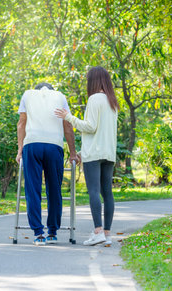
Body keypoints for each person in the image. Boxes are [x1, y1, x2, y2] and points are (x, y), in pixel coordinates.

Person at [55, 66, 119, 246]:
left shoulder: (94, 99)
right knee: (107, 192)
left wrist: (69, 117)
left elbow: (90, 127)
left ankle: (97, 231)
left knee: (93, 191)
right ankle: (106, 233)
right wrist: (83, 152)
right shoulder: (112, 101)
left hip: (94, 155)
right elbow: (103, 132)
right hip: (108, 153)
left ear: (93, 81)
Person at [16, 83, 79, 246]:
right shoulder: (60, 96)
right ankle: (52, 232)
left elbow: (22, 123)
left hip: (32, 144)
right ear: (51, 91)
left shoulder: (27, 94)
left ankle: (38, 233)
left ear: (37, 90)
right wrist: (73, 152)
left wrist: (19, 150)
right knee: (54, 189)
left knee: (33, 190)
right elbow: (67, 125)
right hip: (54, 145)